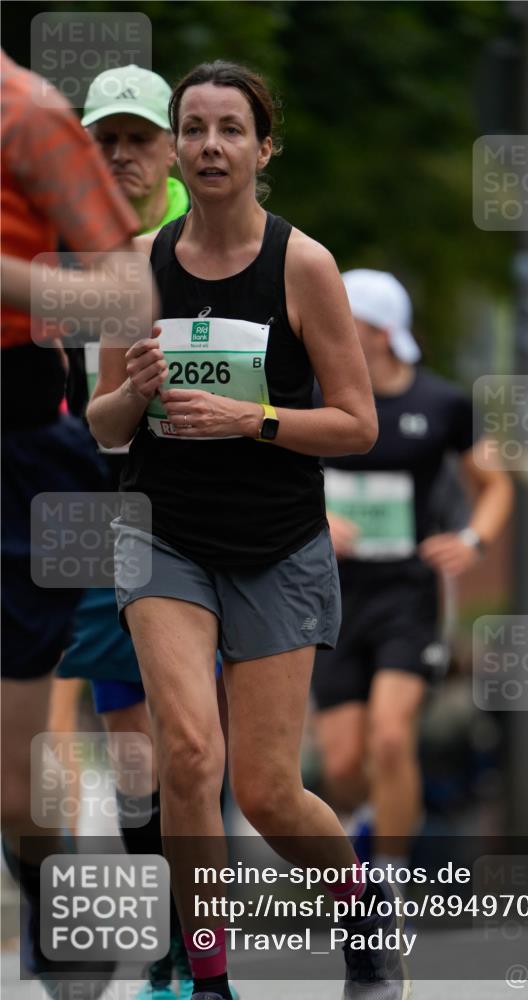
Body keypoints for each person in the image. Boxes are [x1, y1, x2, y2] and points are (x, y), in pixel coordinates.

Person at [87, 60, 415, 1000]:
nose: (210, 146)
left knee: (269, 793)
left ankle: (361, 913)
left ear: (263, 148)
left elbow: (357, 425)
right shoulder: (137, 267)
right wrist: (134, 391)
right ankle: (207, 977)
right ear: (178, 149)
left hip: (277, 545)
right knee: (190, 754)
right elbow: (102, 426)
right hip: (165, 537)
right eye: (194, 129)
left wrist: (253, 420)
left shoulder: (301, 265)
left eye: (231, 129)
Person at [49, 63, 204, 1000]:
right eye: (103, 140)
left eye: (138, 139)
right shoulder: (56, 243)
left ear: (171, 147)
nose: (121, 156)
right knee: (137, 748)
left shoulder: (212, 238)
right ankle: (168, 937)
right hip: (91, 503)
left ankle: (193, 945)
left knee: (196, 742)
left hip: (202, 508)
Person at [0, 49, 153, 998]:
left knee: (15, 792)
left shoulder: (29, 116)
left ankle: (65, 922)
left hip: (17, 444)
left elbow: (125, 295)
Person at [312, 269, 513, 876]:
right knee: (342, 760)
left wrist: (473, 540)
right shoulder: (313, 397)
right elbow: (274, 477)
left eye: (344, 319)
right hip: (332, 592)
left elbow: (496, 483)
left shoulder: (443, 403)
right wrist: (317, 518)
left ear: (378, 331)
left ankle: (388, 876)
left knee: (393, 737)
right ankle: (371, 820)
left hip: (409, 591)